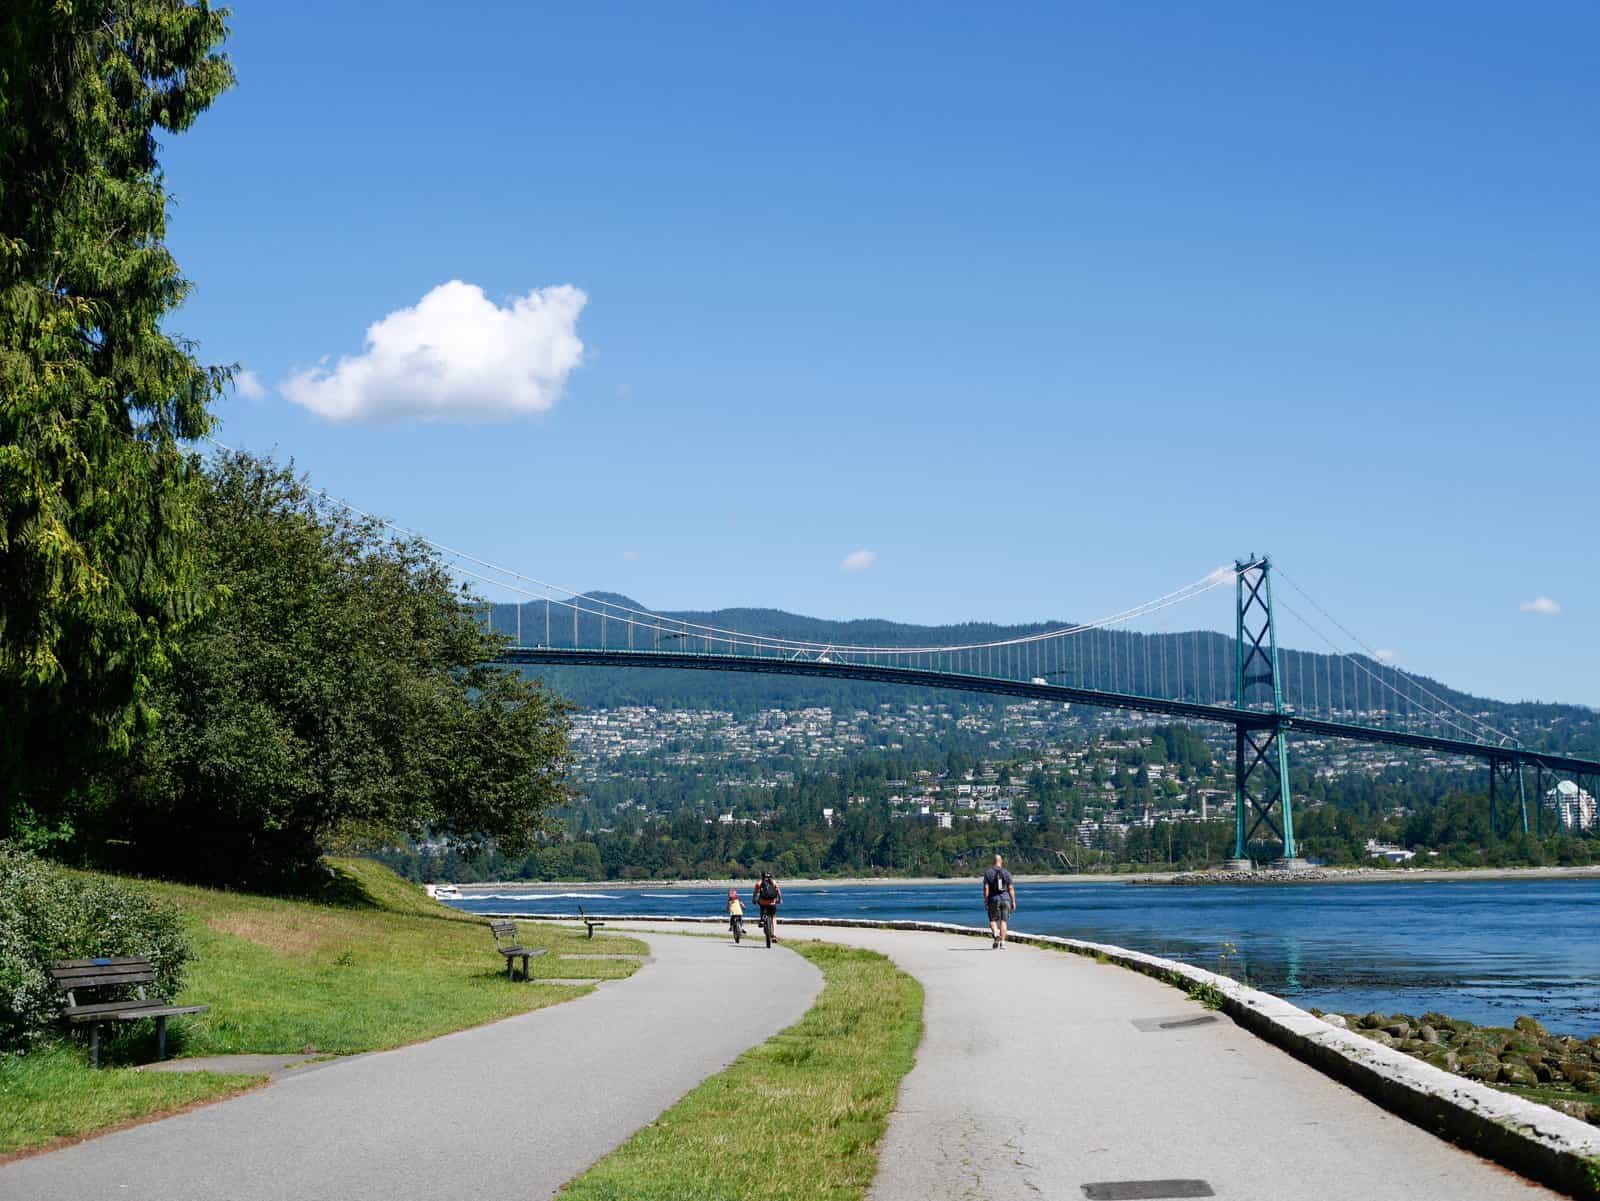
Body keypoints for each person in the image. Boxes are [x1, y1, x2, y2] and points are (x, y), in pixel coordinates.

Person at [982, 853, 1016, 949]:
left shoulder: (988, 873)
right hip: (1006, 899)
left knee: (993, 920)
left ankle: (996, 935)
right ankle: (1003, 943)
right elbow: (1011, 888)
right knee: (1004, 921)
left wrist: (986, 900)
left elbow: (986, 888)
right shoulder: (1007, 873)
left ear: (993, 862)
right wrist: (1013, 901)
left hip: (993, 899)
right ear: (1001, 861)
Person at [752, 872, 783, 942]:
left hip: (763, 903)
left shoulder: (759, 883)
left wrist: (753, 900)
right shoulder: (773, 882)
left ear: (762, 877)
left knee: (761, 906)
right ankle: (774, 935)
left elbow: (755, 893)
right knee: (773, 917)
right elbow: (778, 892)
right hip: (772, 903)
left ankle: (762, 919)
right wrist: (780, 900)